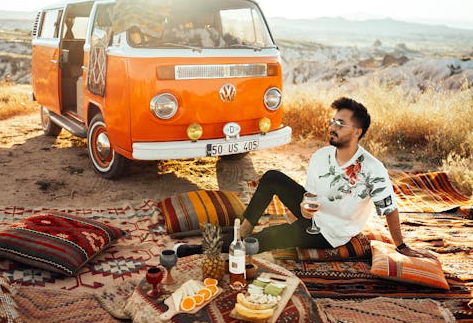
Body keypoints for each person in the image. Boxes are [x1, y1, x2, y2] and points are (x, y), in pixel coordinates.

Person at [174, 97, 434, 259]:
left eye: (340, 124)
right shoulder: (321, 156)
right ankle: (242, 228)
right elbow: (310, 195)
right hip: (313, 217)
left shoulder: (372, 169)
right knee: (273, 177)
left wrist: (401, 246)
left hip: (331, 231)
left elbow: (389, 208)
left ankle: (195, 250)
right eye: (333, 121)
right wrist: (303, 207)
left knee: (268, 238)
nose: (332, 127)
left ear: (357, 131)